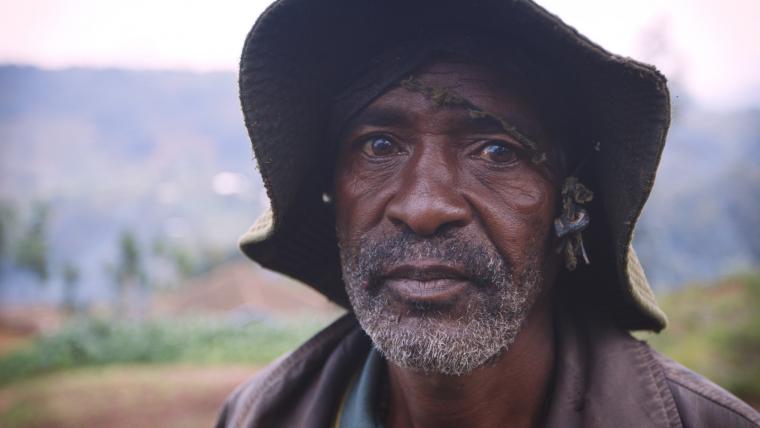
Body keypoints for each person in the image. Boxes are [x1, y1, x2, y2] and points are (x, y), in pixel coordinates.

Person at [217, 0, 760, 426]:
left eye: (497, 151)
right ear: (333, 193)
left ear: (570, 205)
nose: (423, 208)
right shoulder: (256, 417)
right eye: (379, 146)